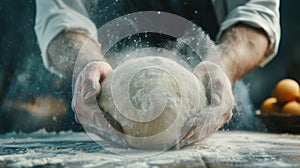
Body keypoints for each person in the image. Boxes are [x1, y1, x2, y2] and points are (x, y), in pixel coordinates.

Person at [34, 0, 280, 147]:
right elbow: (60, 14)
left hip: (217, 101)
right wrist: (88, 64)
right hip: (97, 111)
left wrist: (220, 67)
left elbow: (256, 12)